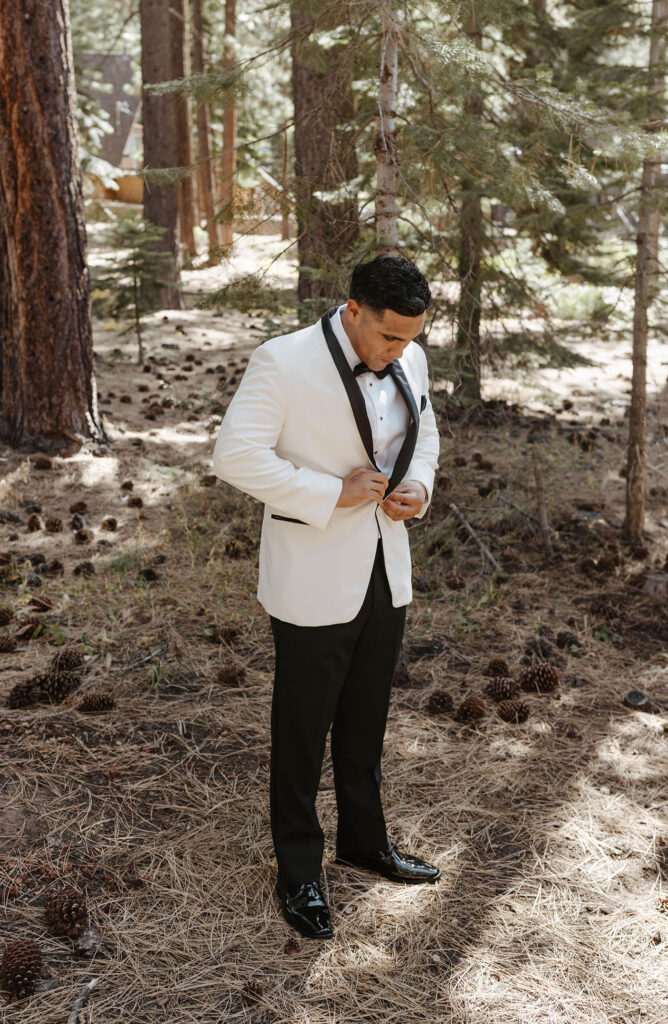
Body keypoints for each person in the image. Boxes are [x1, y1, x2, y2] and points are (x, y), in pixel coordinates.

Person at [212, 254, 441, 940]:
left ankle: (365, 843)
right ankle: (300, 870)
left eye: (411, 336)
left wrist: (418, 491)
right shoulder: (282, 362)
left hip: (383, 564)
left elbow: (423, 436)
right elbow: (234, 455)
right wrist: (326, 494)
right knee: (303, 727)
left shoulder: (414, 358)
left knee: (366, 717)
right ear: (352, 312)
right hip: (311, 568)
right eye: (391, 336)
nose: (402, 349)